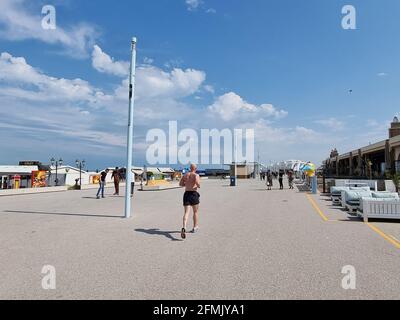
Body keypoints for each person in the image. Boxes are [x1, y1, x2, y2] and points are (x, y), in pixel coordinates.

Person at [179, 164, 201, 239]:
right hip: (193, 194)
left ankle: (184, 227)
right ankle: (195, 227)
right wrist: (195, 184)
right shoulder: (196, 175)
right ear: (195, 168)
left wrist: (187, 184)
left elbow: (180, 184)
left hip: (186, 194)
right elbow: (198, 185)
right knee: (195, 212)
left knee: (186, 212)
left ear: (190, 168)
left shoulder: (185, 175)